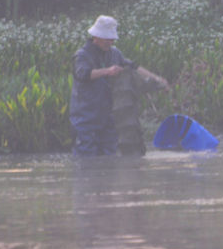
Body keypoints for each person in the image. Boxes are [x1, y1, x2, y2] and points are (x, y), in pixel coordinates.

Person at [69, 15, 169, 156]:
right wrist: (107, 71)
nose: (110, 42)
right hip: (85, 117)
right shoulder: (82, 55)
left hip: (108, 116)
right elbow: (83, 74)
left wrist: (157, 79)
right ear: (96, 37)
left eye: (112, 39)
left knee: (109, 155)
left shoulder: (114, 53)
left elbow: (133, 66)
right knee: (85, 156)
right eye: (107, 39)